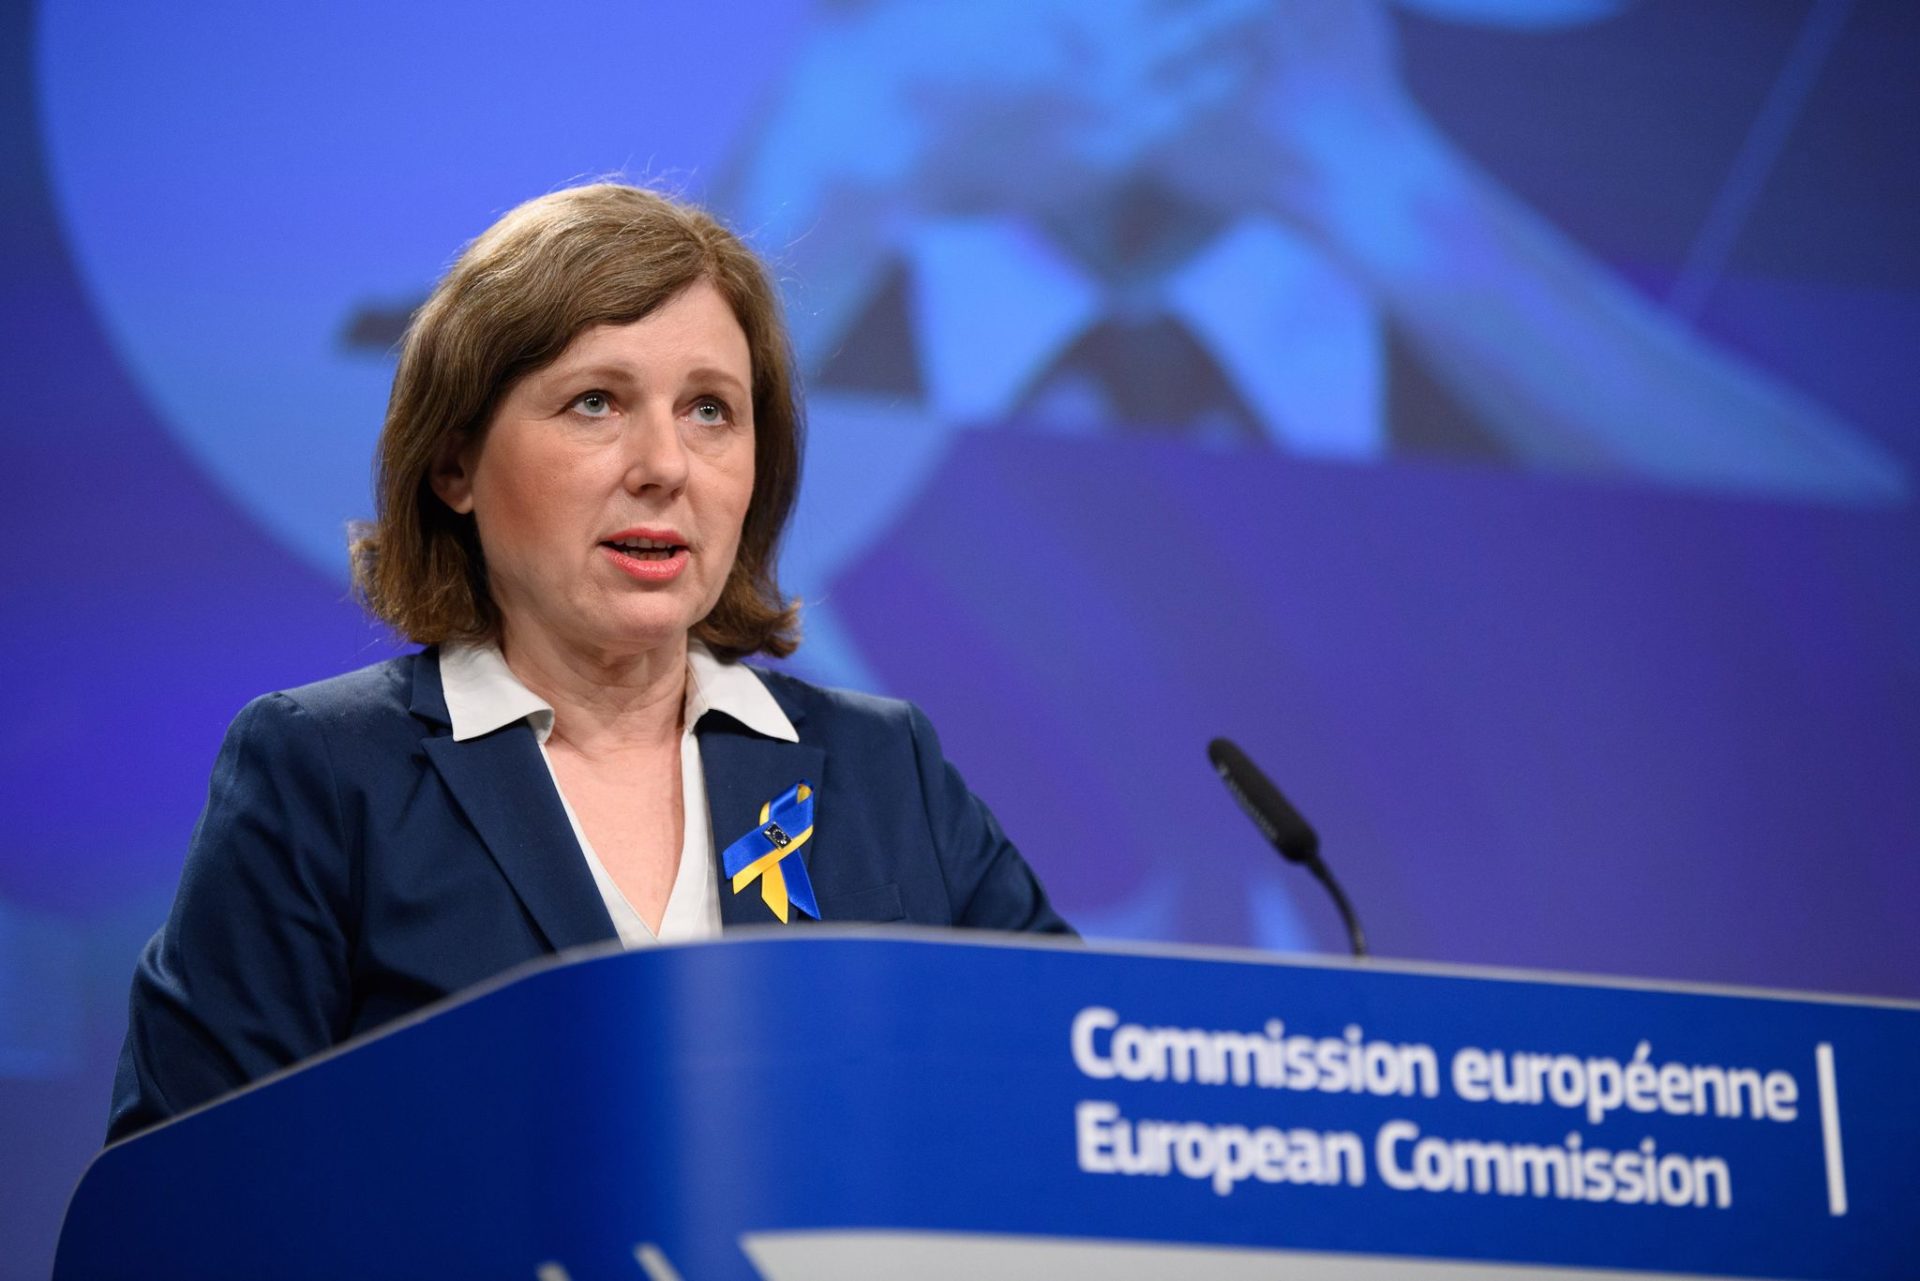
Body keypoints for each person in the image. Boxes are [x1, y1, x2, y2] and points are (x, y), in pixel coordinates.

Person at [108, 183, 1072, 1143]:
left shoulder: (883, 771)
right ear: (455, 465)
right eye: (596, 402)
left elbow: (1086, 1100)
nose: (665, 463)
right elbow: (173, 1209)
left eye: (710, 411)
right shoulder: (325, 775)